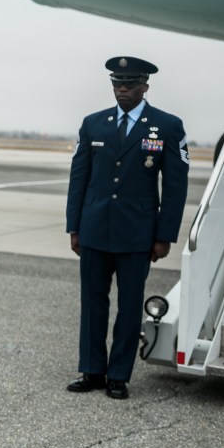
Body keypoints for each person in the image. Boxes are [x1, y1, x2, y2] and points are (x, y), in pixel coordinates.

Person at [66, 57, 189, 400]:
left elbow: (176, 186)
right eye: (117, 83)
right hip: (93, 229)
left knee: (130, 304)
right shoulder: (94, 124)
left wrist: (164, 236)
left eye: (130, 84)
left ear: (145, 87)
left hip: (138, 233)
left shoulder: (166, 125)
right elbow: (79, 178)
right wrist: (73, 226)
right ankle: (91, 370)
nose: (122, 89)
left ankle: (118, 375)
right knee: (92, 302)